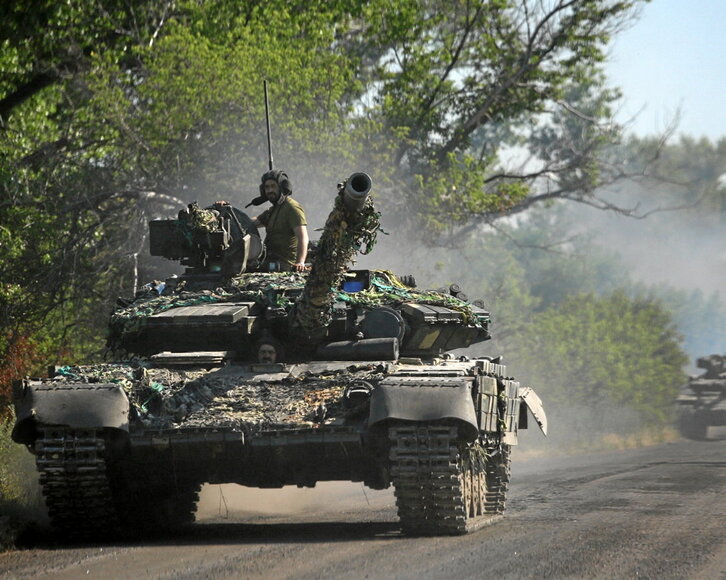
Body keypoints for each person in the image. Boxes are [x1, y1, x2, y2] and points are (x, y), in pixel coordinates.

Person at [251, 170, 308, 272]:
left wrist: (300, 262)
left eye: (273, 186)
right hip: (268, 264)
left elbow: (303, 237)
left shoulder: (292, 208)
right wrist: (227, 213)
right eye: (267, 187)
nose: (269, 190)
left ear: (282, 188)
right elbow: (252, 223)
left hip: (286, 266)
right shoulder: (273, 210)